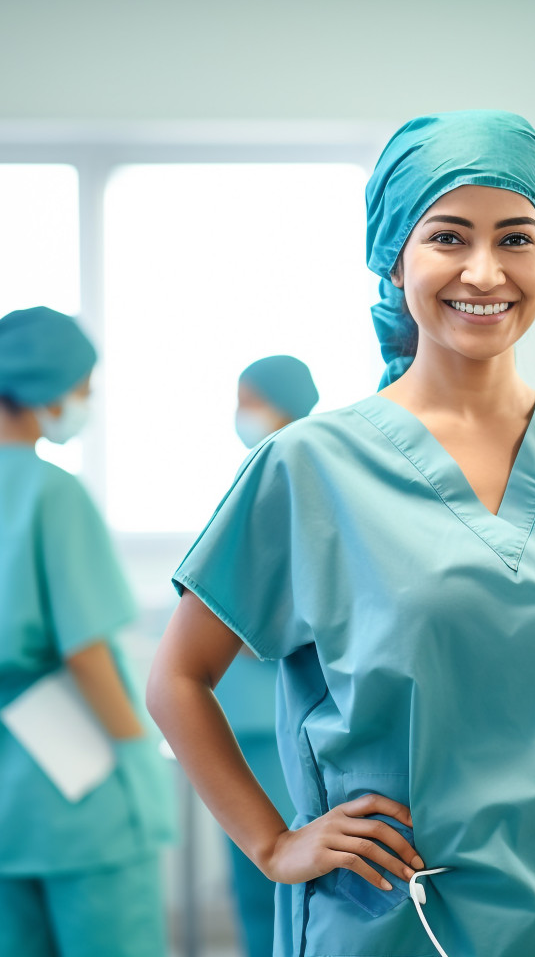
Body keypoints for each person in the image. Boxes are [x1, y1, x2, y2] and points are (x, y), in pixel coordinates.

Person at [147, 111, 535, 957]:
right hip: (389, 925)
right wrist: (272, 843)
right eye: (448, 237)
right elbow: (179, 677)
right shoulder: (309, 467)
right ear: (396, 258)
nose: (485, 270)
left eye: (517, 238)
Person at [0, 306, 174, 957]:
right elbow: (87, 652)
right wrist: (139, 755)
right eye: (85, 386)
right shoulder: (53, 493)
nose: (86, 401)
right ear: (52, 388)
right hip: (81, 792)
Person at [219, 355, 317, 956]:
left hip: (281, 720)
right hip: (255, 718)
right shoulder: (272, 470)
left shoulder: (291, 470)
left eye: (244, 398)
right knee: (269, 875)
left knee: (288, 883)